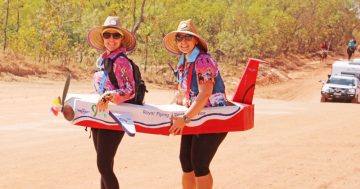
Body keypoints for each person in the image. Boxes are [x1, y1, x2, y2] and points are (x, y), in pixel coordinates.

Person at [163, 19, 228, 189]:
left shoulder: (202, 60)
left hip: (213, 117)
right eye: (179, 38)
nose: (183, 42)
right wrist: (165, 113)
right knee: (186, 161)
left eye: (187, 38)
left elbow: (205, 93)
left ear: (196, 40)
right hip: (195, 116)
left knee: (200, 164)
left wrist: (184, 118)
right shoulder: (183, 61)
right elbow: (181, 92)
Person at [87, 16, 137, 189]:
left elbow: (130, 90)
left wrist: (109, 96)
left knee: (104, 165)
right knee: (104, 166)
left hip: (116, 115)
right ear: (102, 37)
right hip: (100, 115)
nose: (111, 39)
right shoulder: (102, 60)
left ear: (121, 38)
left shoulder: (121, 60)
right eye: (107, 35)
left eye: (115, 36)